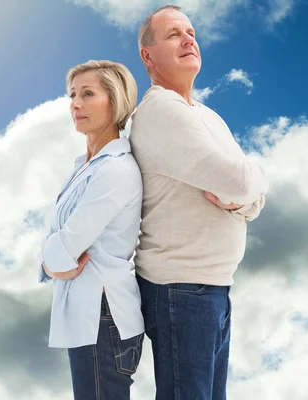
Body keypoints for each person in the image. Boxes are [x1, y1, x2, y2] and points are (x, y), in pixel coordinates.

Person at [129, 5, 269, 399]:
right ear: (148, 56)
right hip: (180, 289)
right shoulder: (160, 110)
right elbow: (241, 180)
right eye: (173, 34)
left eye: (190, 32)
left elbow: (250, 197)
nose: (188, 39)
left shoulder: (209, 116)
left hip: (214, 288)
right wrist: (248, 186)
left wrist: (244, 196)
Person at [38, 60, 145, 400]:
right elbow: (52, 243)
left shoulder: (115, 171)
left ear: (115, 101)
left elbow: (65, 244)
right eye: (72, 94)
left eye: (87, 93)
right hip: (87, 314)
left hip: (103, 315)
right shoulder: (83, 167)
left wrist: (50, 259)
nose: (75, 103)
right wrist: (48, 262)